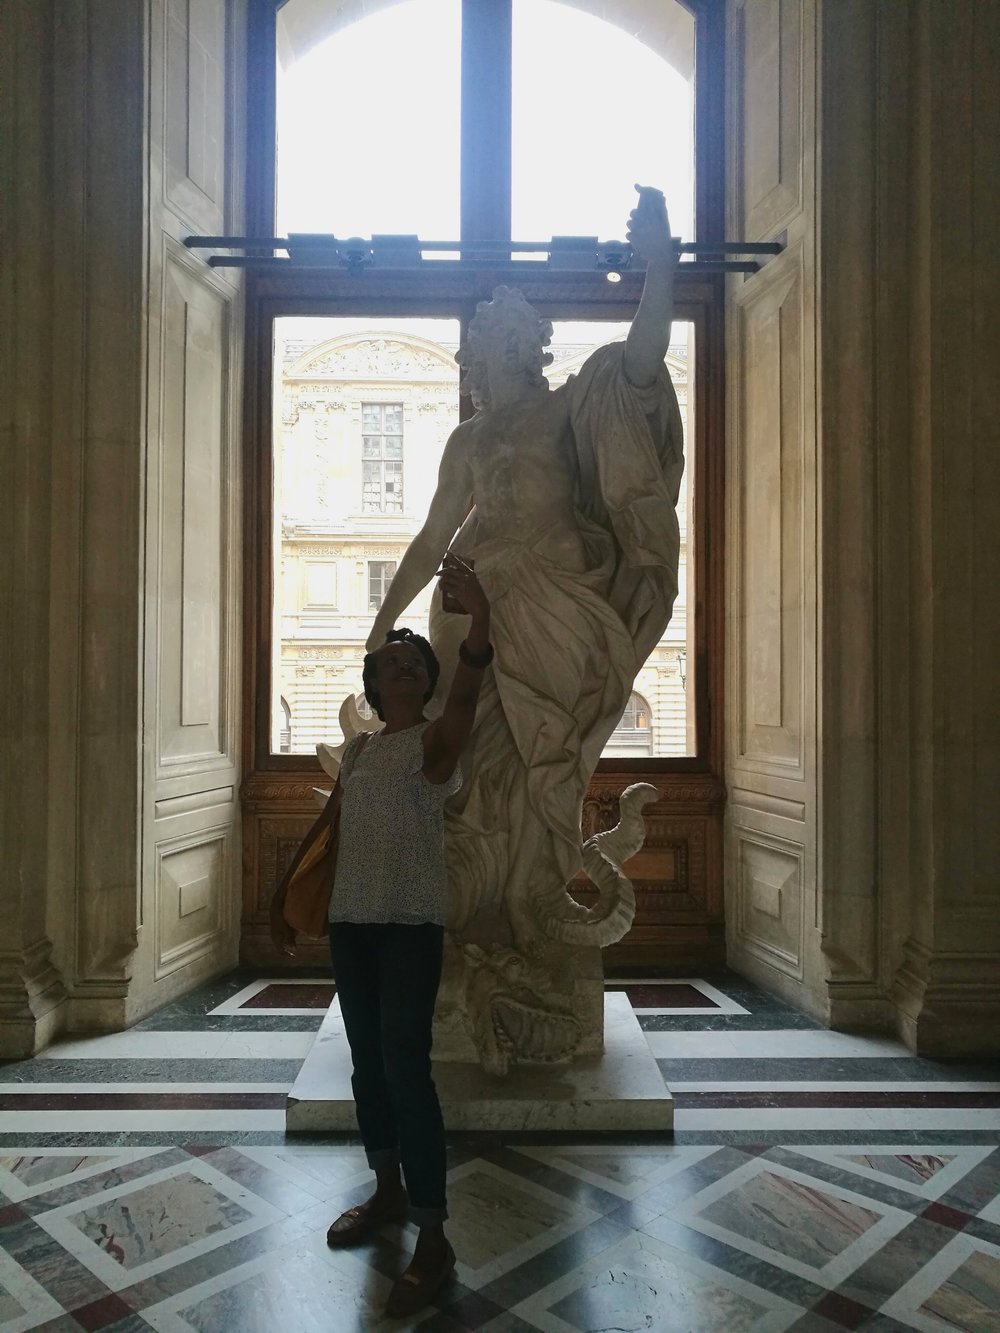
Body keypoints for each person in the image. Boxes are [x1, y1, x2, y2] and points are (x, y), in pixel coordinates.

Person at [366, 186, 685, 988]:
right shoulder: (467, 439)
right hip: (472, 604)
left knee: (546, 762)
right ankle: (474, 905)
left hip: (552, 605)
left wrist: (660, 268)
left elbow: (639, 369)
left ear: (514, 348)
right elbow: (432, 537)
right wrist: (382, 621)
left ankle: (534, 909)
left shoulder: (569, 407)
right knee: (465, 756)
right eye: (470, 353)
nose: (469, 365)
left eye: (479, 350)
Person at [270, 557, 491, 1319]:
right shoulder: (362, 749)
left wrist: (480, 618)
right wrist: (283, 897)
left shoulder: (435, 745)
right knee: (367, 1066)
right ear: (373, 681)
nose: (401, 665)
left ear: (424, 682)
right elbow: (328, 826)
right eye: (389, 661)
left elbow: (469, 686)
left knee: (407, 1070)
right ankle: (388, 1191)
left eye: (412, 661)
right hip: (353, 924)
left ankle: (434, 1233)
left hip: (408, 926)